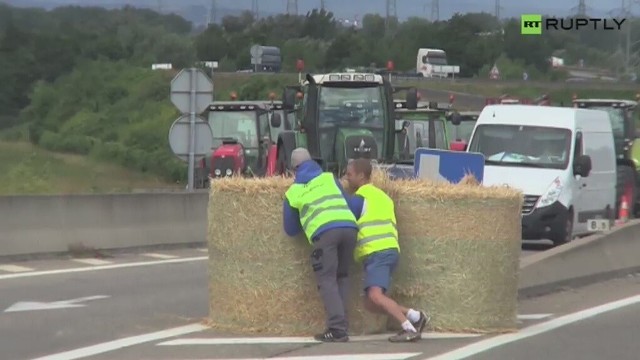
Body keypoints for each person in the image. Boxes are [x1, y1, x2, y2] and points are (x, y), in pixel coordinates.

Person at [344, 158, 430, 343]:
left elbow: (345, 222)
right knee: (370, 303)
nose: (346, 178)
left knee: (375, 296)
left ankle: (408, 327)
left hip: (378, 252)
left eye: (349, 174)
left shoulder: (359, 199)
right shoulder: (382, 196)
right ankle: (416, 316)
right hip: (388, 250)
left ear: (361, 175)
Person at [283, 148, 359, 342]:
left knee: (327, 280)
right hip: (350, 228)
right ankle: (343, 324)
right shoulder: (329, 178)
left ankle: (336, 328)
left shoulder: (293, 191)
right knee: (341, 276)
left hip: (325, 234)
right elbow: (350, 205)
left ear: (294, 169)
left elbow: (291, 230)